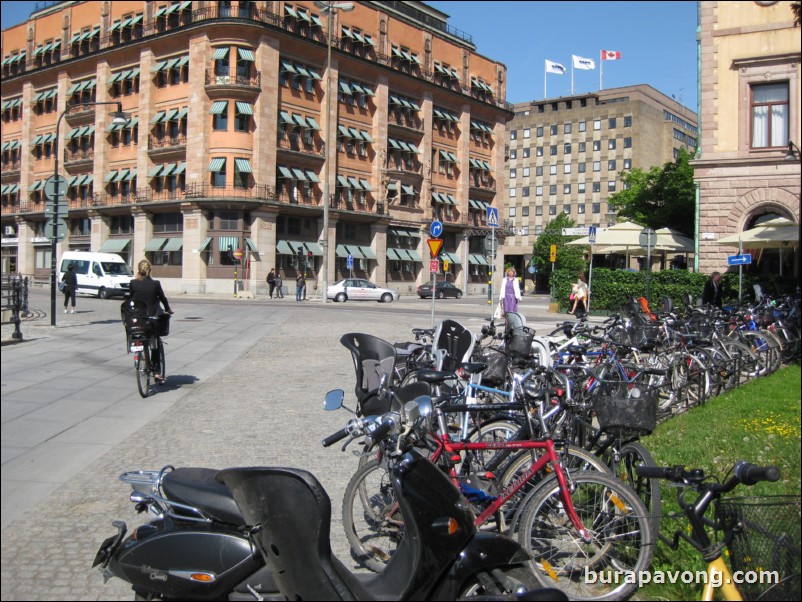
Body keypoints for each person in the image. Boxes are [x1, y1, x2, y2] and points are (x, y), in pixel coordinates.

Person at [128, 259, 173, 382]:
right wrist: (168, 309)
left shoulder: (133, 283)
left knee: (140, 338)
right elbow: (163, 298)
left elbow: (131, 300)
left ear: (138, 270)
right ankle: (157, 372)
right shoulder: (155, 284)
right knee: (155, 343)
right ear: (150, 270)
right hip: (152, 320)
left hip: (138, 321)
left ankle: (140, 356)